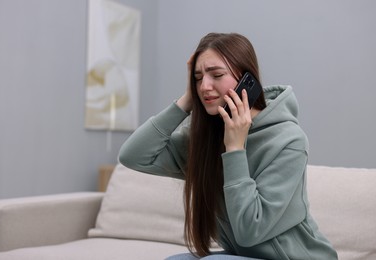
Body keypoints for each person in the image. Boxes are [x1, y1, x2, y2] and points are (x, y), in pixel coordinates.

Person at [119, 32, 338, 259]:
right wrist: (187, 100)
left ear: (247, 79)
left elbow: (249, 231)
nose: (204, 86)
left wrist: (235, 148)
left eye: (216, 74)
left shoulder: (288, 140)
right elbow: (133, 156)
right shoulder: (207, 139)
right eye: (197, 77)